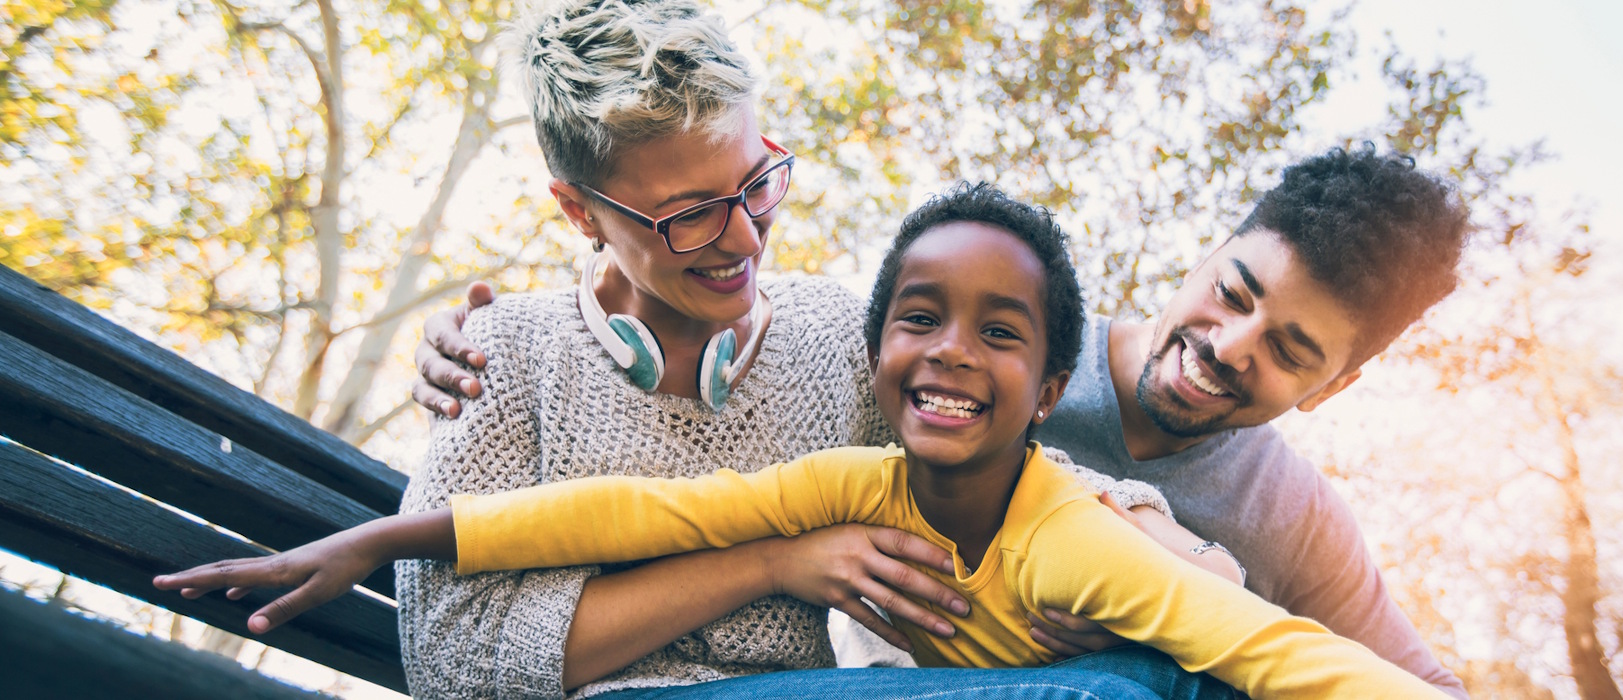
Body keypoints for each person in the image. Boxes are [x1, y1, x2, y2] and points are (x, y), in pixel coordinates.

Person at [155, 183, 1446, 699]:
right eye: (1237, 291)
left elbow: (1299, 655)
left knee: (1176, 680)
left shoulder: (1258, 514)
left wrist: (1169, 592)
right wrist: (532, 330)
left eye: (1289, 348)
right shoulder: (918, 391)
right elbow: (684, 473)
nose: (1230, 343)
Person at [270, 0, 1226, 697]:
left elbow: (1002, 466)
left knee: (1181, 680)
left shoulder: (827, 332)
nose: (743, 239)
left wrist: (1171, 550)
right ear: (578, 210)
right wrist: (775, 562)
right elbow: (455, 660)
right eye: (688, 215)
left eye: (756, 182)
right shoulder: (508, 354)